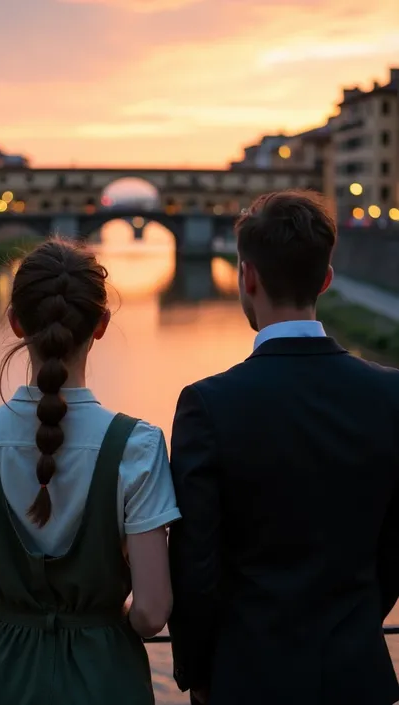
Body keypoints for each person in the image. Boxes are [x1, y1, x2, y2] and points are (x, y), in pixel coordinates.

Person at [0, 238, 181, 705]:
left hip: (7, 674)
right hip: (107, 677)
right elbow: (150, 613)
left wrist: (17, 613)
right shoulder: (137, 447)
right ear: (100, 325)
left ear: (15, 323)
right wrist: (95, 622)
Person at [168, 191, 399, 705]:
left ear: (246, 277)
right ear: (326, 280)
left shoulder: (208, 405)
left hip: (249, 677)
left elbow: (196, 566)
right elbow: (393, 546)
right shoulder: (391, 395)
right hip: (357, 675)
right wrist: (356, 620)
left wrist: (200, 674)